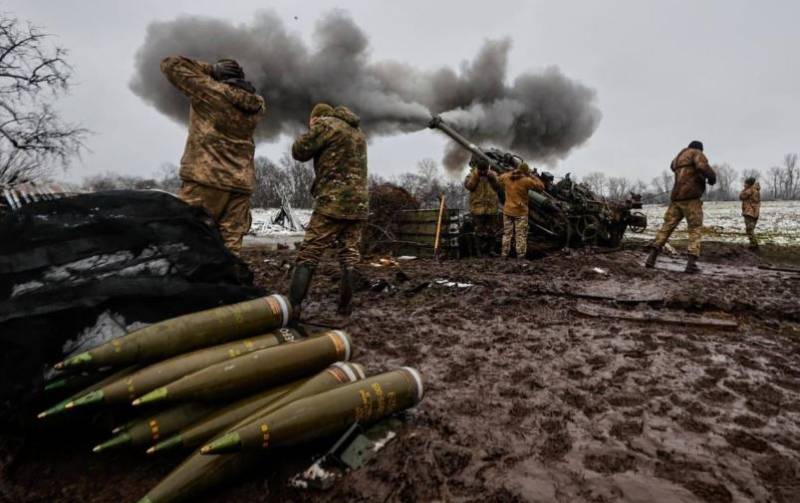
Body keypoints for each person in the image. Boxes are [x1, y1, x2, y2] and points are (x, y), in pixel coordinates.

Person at [161, 56, 266, 255]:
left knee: (190, 242)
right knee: (231, 249)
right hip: (240, 184)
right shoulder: (257, 105)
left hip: (206, 180)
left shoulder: (211, 93)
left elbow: (170, 64)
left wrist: (209, 69)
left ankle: (194, 286)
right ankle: (229, 284)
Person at [287, 103, 368, 319]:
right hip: (358, 204)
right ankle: (345, 307)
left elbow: (299, 151)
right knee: (349, 256)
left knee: (309, 253)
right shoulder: (357, 132)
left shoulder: (326, 125)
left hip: (333, 201)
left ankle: (292, 307)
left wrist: (315, 127)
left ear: (317, 118)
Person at [645, 140, 716, 273]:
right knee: (695, 229)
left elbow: (672, 167)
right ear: (699, 149)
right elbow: (702, 166)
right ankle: (691, 265)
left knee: (666, 228)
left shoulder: (678, 158)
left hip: (676, 199)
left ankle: (651, 258)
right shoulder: (697, 153)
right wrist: (712, 177)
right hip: (691, 199)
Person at [497, 162, 544, 258]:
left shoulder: (506, 177)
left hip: (508, 210)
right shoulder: (526, 181)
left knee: (507, 234)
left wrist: (510, 173)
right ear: (526, 172)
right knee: (520, 235)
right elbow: (541, 187)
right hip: (520, 212)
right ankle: (520, 256)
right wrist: (533, 176)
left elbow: (498, 180)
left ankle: (504, 254)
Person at [463, 155, 501, 256]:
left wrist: (492, 178)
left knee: (492, 231)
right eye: (481, 170)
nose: (483, 172)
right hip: (477, 208)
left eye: (485, 170)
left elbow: (498, 186)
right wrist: (476, 176)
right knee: (478, 231)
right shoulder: (471, 175)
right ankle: (479, 251)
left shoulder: (493, 175)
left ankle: (491, 251)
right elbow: (469, 186)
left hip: (491, 207)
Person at [739, 177, 761, 250]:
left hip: (749, 212)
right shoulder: (756, 190)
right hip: (755, 212)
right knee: (751, 229)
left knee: (749, 229)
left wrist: (744, 189)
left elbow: (741, 196)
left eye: (745, 183)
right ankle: (754, 244)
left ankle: (754, 245)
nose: (744, 185)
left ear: (749, 184)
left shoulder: (749, 190)